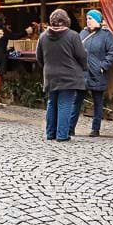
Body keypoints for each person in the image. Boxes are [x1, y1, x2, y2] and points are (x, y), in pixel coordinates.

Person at [38, 8, 88, 142]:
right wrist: (83, 67)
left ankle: (50, 133)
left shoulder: (43, 36)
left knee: (51, 103)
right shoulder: (72, 35)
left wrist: (47, 67)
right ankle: (62, 134)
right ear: (66, 21)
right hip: (69, 75)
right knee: (65, 104)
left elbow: (39, 57)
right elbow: (81, 55)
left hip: (50, 75)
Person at [70, 9, 113, 137]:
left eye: (90, 18)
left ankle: (95, 129)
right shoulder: (83, 33)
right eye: (87, 19)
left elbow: (112, 53)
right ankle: (70, 128)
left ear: (97, 20)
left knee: (98, 102)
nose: (88, 21)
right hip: (82, 73)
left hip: (97, 73)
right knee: (76, 101)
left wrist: (103, 66)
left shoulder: (106, 35)